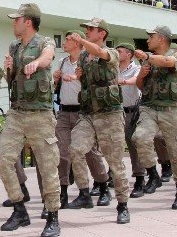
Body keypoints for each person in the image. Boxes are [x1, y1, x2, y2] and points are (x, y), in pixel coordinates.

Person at [0, 3, 61, 237]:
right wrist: (9, 69)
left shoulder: (45, 42)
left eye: (17, 19)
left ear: (28, 22)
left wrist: (37, 63)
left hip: (40, 114)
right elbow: (12, 79)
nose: (13, 22)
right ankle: (19, 208)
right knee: (2, 157)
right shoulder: (14, 46)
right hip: (17, 112)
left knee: (47, 165)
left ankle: (52, 217)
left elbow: (47, 57)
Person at [67, 18, 130, 224]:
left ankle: (122, 205)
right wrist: (80, 76)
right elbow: (88, 82)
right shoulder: (84, 56)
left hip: (109, 114)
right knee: (75, 149)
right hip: (88, 114)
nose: (86, 32)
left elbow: (101, 53)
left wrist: (82, 42)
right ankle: (84, 193)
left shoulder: (110, 52)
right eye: (86, 29)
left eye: (90, 29)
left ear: (102, 33)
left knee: (115, 161)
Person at [132, 26, 177, 209]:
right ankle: (153, 174)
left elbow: (167, 62)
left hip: (171, 109)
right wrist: (141, 74)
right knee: (139, 137)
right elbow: (141, 86)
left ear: (162, 39)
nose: (148, 40)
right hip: (149, 108)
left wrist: (147, 57)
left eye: (152, 36)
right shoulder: (148, 61)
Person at [55, 31, 109, 209]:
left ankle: (102, 187)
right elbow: (59, 88)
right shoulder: (62, 62)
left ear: (77, 43)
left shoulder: (87, 61)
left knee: (90, 153)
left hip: (82, 113)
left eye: (68, 39)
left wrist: (79, 77)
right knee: (62, 153)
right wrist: (56, 81)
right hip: (63, 112)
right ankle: (63, 192)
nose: (64, 42)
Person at [116, 43, 144, 197]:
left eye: (119, 51)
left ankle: (139, 177)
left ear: (129, 54)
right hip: (116, 113)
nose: (117, 53)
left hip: (132, 112)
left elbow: (136, 80)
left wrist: (123, 81)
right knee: (114, 143)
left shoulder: (136, 68)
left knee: (133, 143)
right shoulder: (114, 67)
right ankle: (113, 175)